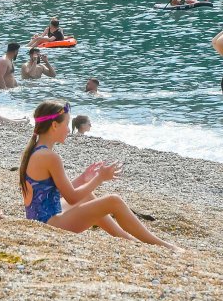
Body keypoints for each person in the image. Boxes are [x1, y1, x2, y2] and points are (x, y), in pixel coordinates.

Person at [19, 101, 177, 248]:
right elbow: (72, 198)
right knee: (113, 201)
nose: (68, 129)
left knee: (88, 197)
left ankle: (126, 238)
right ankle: (162, 246)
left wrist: (82, 179)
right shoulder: (50, 157)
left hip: (39, 219)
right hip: (49, 224)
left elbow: (51, 192)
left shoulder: (36, 151)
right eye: (66, 124)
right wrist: (99, 178)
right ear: (54, 125)